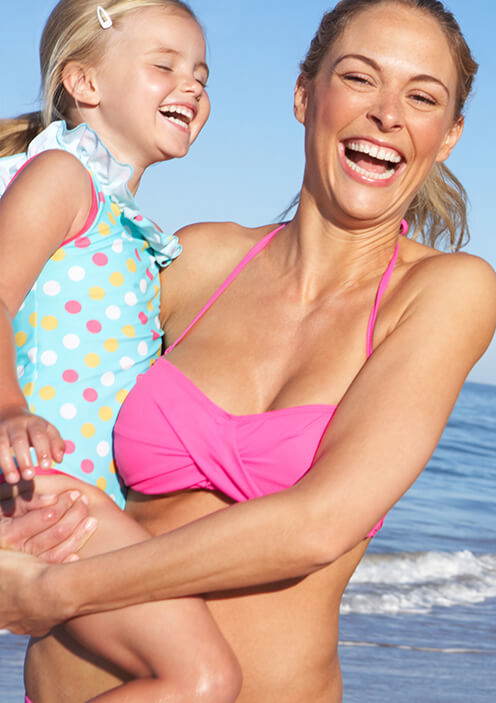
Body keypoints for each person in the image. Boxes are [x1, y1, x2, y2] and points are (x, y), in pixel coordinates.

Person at [0, 1, 496, 701]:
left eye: (422, 97)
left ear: (447, 136)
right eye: (360, 79)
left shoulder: (447, 293)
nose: (388, 113)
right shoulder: (193, 258)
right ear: (305, 94)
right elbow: (42, 344)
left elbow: (317, 523)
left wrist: (54, 589)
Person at [0, 2, 241, 701]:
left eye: (201, 73)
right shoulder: (61, 178)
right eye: (163, 65)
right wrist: (8, 409)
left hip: (75, 493)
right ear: (84, 81)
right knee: (202, 677)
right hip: (39, 485)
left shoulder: (128, 224)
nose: (191, 86)